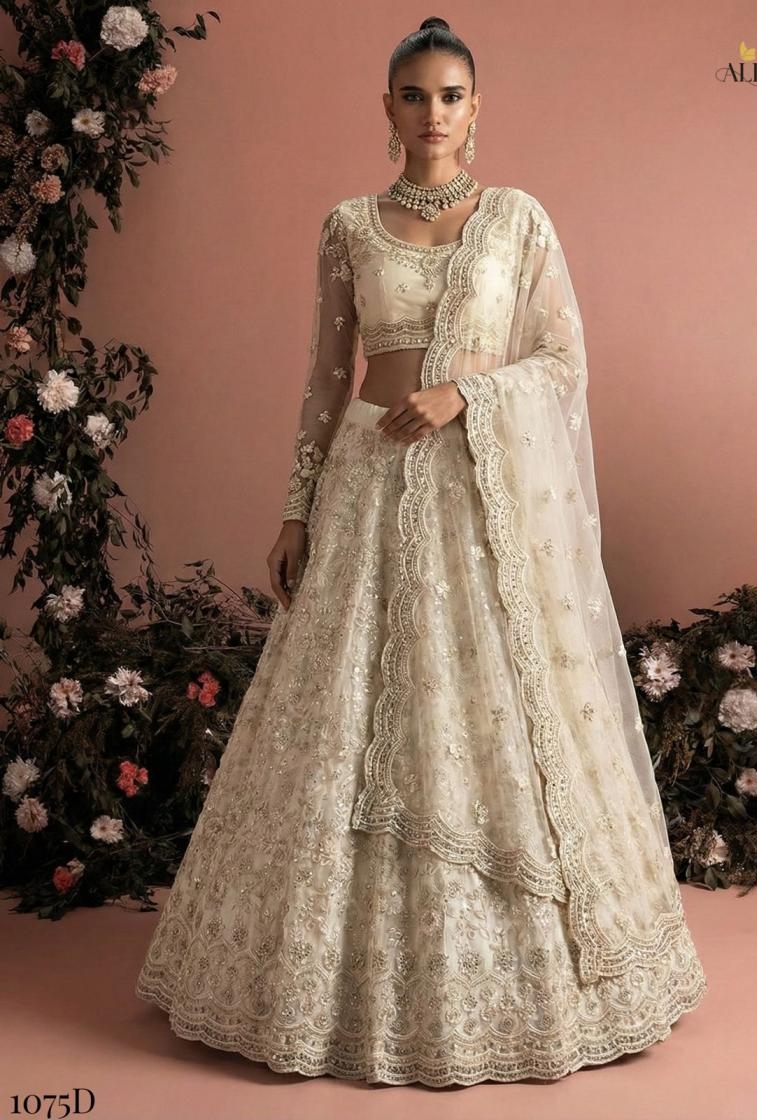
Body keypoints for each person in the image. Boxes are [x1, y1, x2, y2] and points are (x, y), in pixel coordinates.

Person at [135, 16, 708, 1087]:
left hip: (477, 496)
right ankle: (319, 989)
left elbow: (561, 361)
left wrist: (464, 395)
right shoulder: (348, 226)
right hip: (366, 485)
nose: (431, 113)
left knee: (488, 707)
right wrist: (296, 509)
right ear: (387, 107)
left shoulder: (518, 221)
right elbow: (325, 378)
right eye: (413, 94)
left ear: (475, 107)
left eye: (450, 95)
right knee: (342, 711)